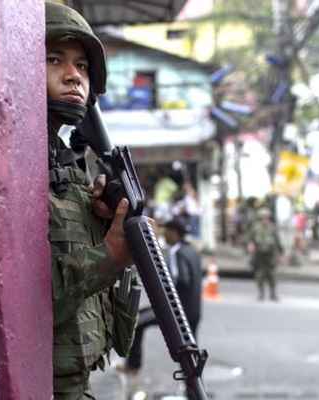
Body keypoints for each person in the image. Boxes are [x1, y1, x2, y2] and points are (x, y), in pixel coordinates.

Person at [45, 3, 140, 398]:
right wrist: (111, 255)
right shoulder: (14, 166)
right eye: (55, 60)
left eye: (82, 66)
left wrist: (101, 224)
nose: (73, 76)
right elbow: (20, 302)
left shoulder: (68, 167)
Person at [118, 219, 203, 376]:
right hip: (194, 309)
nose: (165, 235)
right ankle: (193, 387)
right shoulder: (192, 250)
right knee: (190, 350)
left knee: (138, 323)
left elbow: (182, 279)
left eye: (167, 231)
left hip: (177, 309)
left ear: (175, 233)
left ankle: (133, 366)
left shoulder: (177, 252)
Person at [247, 208, 284, 301]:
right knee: (260, 274)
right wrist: (250, 245)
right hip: (259, 254)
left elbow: (277, 241)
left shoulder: (272, 228)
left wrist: (281, 253)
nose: (265, 219)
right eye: (263, 218)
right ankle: (261, 293)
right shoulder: (255, 228)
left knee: (272, 274)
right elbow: (249, 239)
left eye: (266, 217)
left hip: (270, 254)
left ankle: (273, 293)